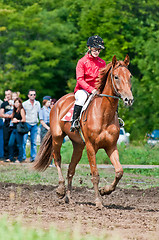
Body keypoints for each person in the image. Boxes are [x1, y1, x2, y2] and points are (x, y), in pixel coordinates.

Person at [70, 35, 106, 132]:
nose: (97, 52)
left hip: (97, 90)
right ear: (89, 48)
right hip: (83, 90)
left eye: (99, 50)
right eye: (95, 49)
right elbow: (80, 80)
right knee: (81, 98)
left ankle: (117, 119)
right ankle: (75, 121)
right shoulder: (82, 62)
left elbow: (103, 79)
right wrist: (92, 90)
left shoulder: (102, 63)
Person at [22, 89, 41, 162]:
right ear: (28, 96)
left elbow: (38, 113)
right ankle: (23, 157)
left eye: (34, 95)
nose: (33, 96)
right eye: (31, 95)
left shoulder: (37, 103)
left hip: (35, 124)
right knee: (24, 141)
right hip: (27, 123)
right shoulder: (25, 104)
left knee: (34, 142)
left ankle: (33, 157)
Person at [8, 98, 26, 163]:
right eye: (15, 103)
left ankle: (20, 158)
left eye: (17, 103)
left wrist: (17, 120)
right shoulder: (14, 110)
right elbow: (11, 117)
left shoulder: (21, 110)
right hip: (14, 128)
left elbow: (24, 119)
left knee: (19, 144)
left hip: (19, 129)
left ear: (20, 103)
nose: (16, 104)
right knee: (10, 143)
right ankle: (11, 157)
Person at [0, 90, 12, 161]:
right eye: (6, 94)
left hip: (14, 124)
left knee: (13, 141)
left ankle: (12, 156)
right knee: (6, 140)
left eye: (9, 94)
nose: (7, 96)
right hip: (6, 124)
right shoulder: (3, 104)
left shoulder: (14, 103)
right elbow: (1, 114)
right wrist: (8, 116)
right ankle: (6, 156)